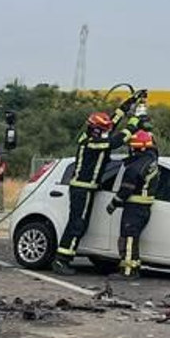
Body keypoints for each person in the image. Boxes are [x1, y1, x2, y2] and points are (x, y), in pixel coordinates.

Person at [52, 110, 114, 273]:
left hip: (86, 188)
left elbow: (111, 126)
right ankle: (61, 260)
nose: (107, 132)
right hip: (82, 188)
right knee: (77, 224)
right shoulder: (92, 143)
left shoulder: (95, 137)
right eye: (104, 129)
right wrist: (134, 125)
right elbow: (116, 141)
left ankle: (63, 258)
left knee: (80, 224)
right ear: (95, 129)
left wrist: (127, 106)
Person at [109, 130, 160, 276]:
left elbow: (126, 189)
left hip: (135, 206)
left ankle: (128, 270)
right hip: (143, 206)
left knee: (129, 236)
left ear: (137, 149)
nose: (130, 150)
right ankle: (134, 265)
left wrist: (114, 203)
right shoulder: (151, 160)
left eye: (132, 147)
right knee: (133, 236)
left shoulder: (136, 167)